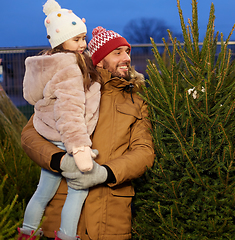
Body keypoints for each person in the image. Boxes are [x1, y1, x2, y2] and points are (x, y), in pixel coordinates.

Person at [21, 24, 155, 240]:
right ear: (99, 60)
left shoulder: (136, 102)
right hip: (59, 221)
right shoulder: (73, 85)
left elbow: (144, 152)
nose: (127, 58)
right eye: (118, 53)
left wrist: (105, 173)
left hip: (109, 221)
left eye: (128, 52)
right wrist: (60, 161)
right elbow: (30, 135)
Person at [18, 0, 101, 239]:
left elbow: (31, 96)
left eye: (83, 38)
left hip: (49, 134)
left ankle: (28, 231)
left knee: (43, 191)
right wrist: (79, 148)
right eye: (76, 40)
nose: (82, 45)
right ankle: (66, 235)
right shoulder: (70, 67)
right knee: (79, 188)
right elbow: (70, 109)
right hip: (68, 138)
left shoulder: (45, 63)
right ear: (60, 41)